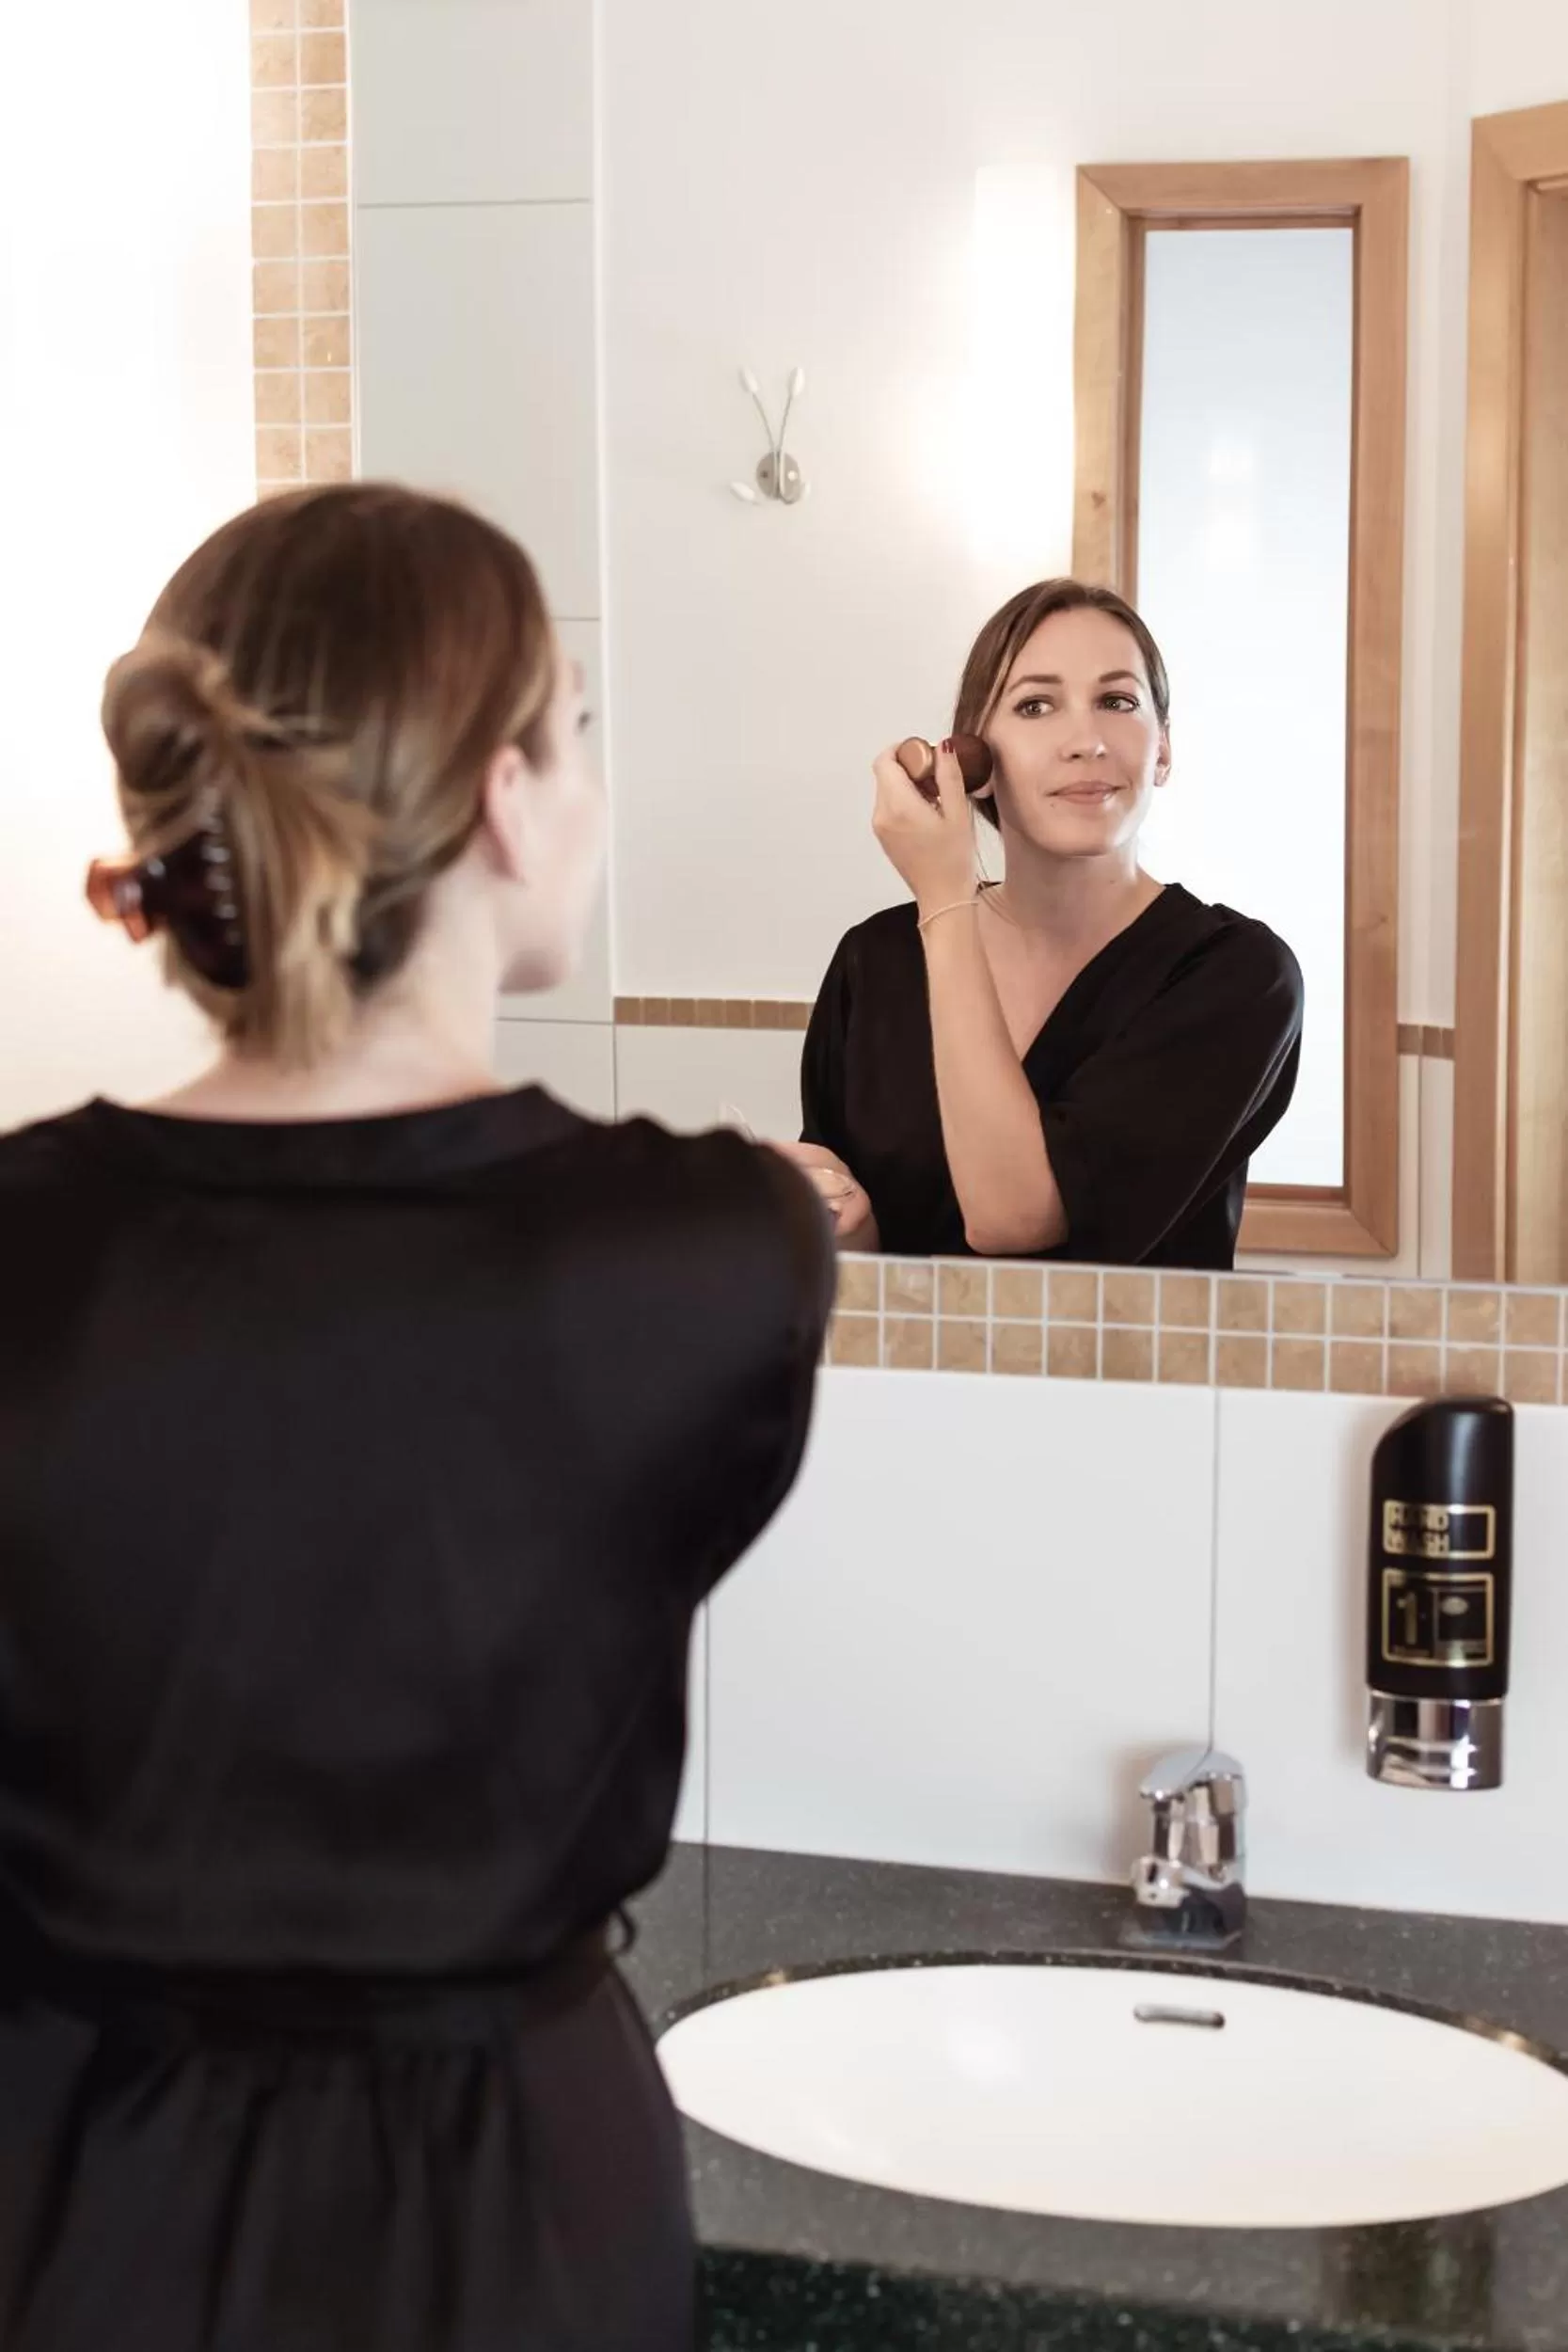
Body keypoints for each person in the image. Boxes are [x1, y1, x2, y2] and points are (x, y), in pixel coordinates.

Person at [0, 483, 833, 2352]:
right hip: (510, 2216)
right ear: (503, 798)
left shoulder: (21, 1245)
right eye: (577, 729)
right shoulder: (708, 1251)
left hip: (67, 2192)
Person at [782, 579, 1304, 1268]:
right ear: (975, 761)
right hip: (899, 1376)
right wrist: (841, 1219)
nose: (1085, 740)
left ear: (1163, 749)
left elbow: (1015, 1220)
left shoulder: (1237, 975)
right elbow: (868, 1256)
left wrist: (944, 900)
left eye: (1117, 701)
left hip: (1119, 1377)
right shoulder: (875, 959)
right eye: (1035, 705)